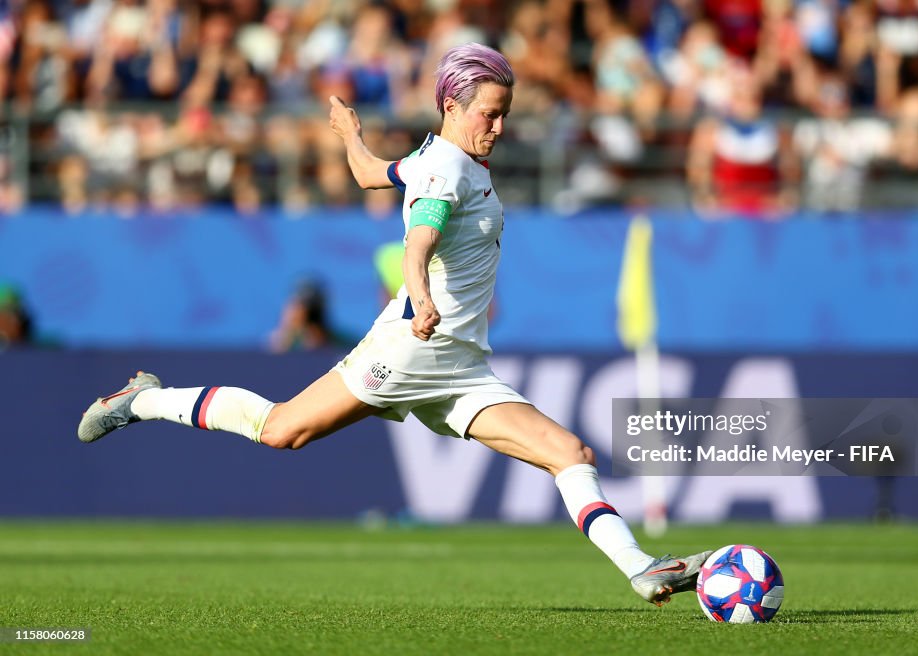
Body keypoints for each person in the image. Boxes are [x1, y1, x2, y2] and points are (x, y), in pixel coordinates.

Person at [77, 43, 710, 606]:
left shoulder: (431, 157)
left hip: (460, 366)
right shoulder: (447, 170)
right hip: (409, 352)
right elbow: (417, 244)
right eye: (488, 112)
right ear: (452, 106)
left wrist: (350, 134)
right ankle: (144, 400)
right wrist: (420, 298)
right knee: (279, 430)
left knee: (569, 455)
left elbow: (368, 174)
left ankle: (642, 569)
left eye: (504, 114)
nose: (498, 125)